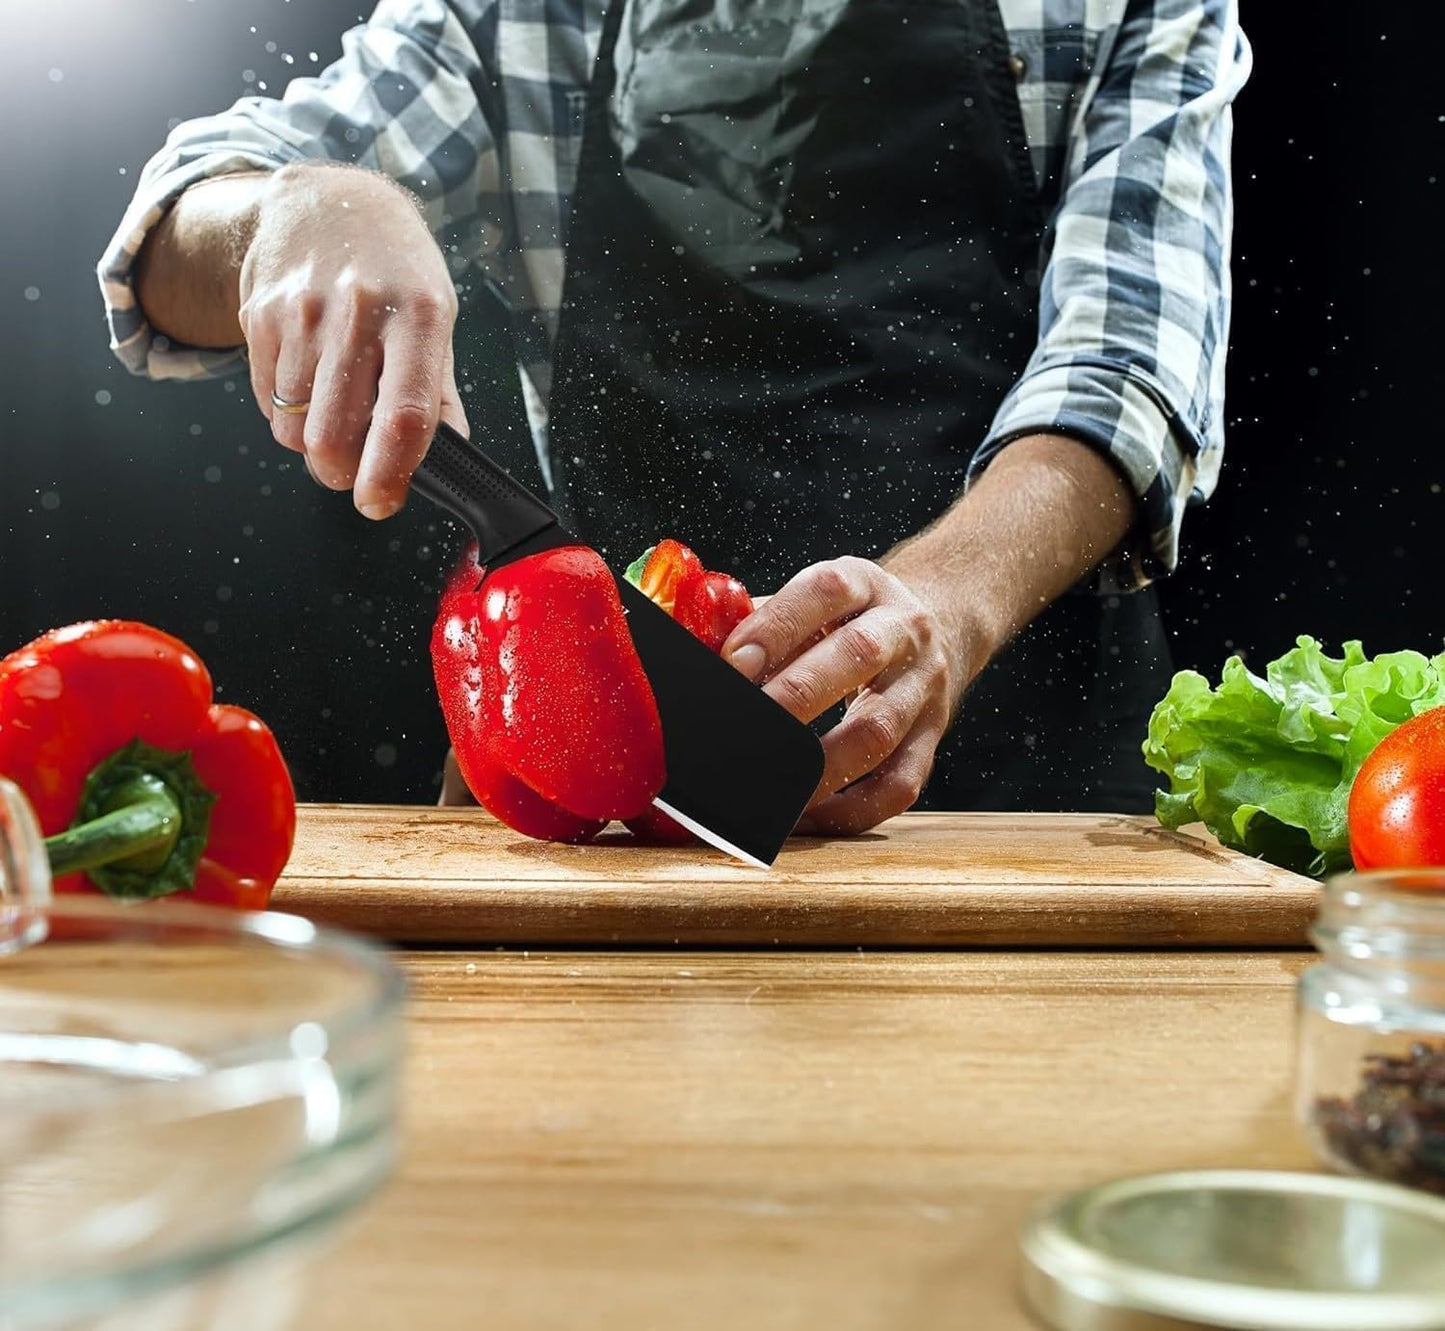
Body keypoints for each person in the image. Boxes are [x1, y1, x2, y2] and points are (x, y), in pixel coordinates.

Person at [99, 0, 1250, 835]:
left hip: (1020, 787)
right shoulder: (516, 14)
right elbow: (166, 255)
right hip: (617, 794)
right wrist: (301, 208)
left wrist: (943, 610)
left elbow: (1121, 370)